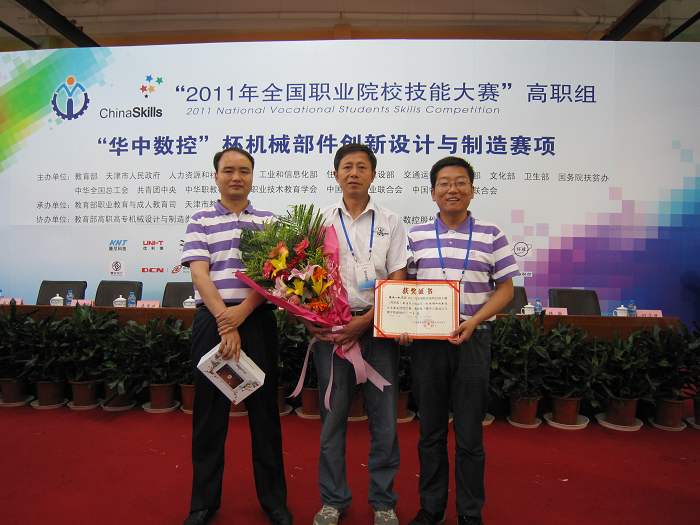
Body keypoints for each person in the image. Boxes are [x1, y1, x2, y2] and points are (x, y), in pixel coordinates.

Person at [180, 147, 292, 525]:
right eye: (228, 170)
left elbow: (272, 278)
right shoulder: (200, 220)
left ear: (252, 177)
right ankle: (202, 503)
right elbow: (200, 274)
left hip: (256, 320)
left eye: (244, 170)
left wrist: (240, 315)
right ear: (216, 176)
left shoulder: (268, 222)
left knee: (265, 415)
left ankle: (274, 502)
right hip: (212, 320)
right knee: (209, 417)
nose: (236, 177)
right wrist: (225, 322)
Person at [405, 156, 519, 525]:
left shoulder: (491, 233)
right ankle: (431, 508)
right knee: (430, 431)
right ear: (432, 192)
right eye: (444, 183)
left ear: (472, 189)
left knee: (470, 434)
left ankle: (470, 512)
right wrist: (402, 323)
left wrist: (475, 321)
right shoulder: (415, 236)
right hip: (428, 344)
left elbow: (506, 290)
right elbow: (403, 289)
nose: (452, 189)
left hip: (473, 339)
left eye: (460, 182)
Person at [305, 144, 409, 525]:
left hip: (376, 330)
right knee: (332, 420)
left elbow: (397, 276)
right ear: (336, 175)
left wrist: (366, 321)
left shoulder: (391, 221)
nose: (353, 173)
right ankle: (333, 500)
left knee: (385, 421)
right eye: (346, 167)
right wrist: (309, 320)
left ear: (373, 174)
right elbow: (300, 278)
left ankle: (383, 502)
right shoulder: (319, 221)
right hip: (332, 335)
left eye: (361, 167)